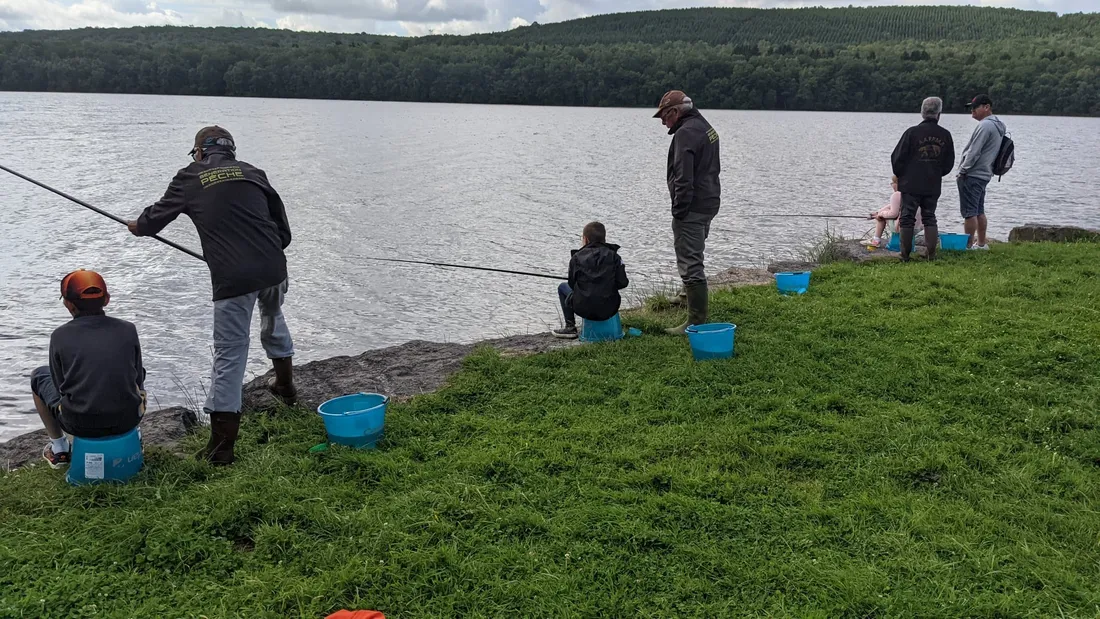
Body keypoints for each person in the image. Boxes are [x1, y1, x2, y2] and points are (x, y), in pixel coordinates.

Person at [127, 126, 296, 466]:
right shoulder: (253, 172)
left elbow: (153, 221)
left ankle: (222, 448)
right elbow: (284, 231)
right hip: (274, 267)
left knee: (230, 354)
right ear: (231, 151)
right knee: (273, 317)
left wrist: (136, 225)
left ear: (200, 152)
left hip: (234, 278)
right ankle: (286, 388)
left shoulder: (191, 177)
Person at [30, 269, 146, 468]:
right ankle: (135, 436)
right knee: (137, 373)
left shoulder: (59, 336)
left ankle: (60, 449)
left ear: (68, 304)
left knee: (39, 375)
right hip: (128, 419)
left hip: (79, 425)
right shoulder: (128, 329)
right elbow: (137, 378)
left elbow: (60, 386)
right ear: (107, 300)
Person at [654, 90, 721, 334]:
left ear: (675, 111)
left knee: (691, 260)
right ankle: (685, 295)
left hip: (692, 206)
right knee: (695, 249)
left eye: (663, 116)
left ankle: (696, 321)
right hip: (709, 201)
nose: (662, 121)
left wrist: (679, 210)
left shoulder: (686, 133)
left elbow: (684, 176)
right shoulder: (704, 126)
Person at [890, 96, 955, 261]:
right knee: (929, 217)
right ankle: (931, 254)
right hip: (932, 184)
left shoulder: (911, 133)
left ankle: (904, 254)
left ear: (922, 113)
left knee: (907, 217)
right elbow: (949, 163)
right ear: (939, 114)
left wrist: (901, 175)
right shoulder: (945, 135)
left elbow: (897, 158)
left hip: (910, 183)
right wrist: (936, 173)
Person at [552, 221, 629, 339]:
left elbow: (571, 284)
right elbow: (623, 283)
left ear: (585, 239)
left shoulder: (576, 258)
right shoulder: (615, 257)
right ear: (604, 238)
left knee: (563, 287)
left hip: (583, 308)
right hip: (610, 308)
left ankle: (570, 328)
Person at [957, 94, 1007, 250]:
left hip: (972, 174)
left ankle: (968, 246)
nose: (972, 111)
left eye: (975, 108)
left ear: (987, 107)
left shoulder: (985, 126)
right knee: (979, 210)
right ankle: (982, 243)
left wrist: (963, 170)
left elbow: (974, 151)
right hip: (985, 173)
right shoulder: (999, 125)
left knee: (969, 212)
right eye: (970, 108)